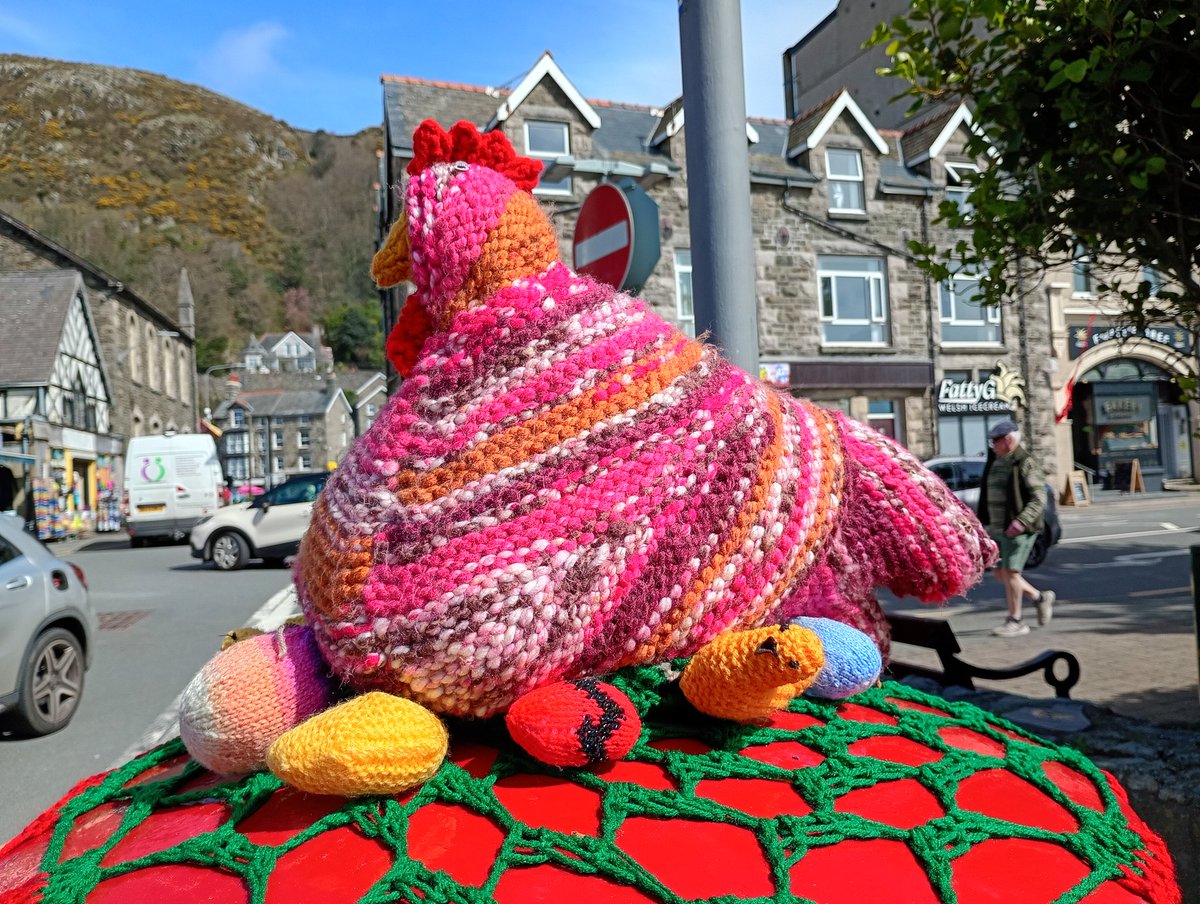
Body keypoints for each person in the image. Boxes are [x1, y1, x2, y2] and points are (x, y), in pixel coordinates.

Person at [977, 419, 1055, 636]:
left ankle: (1016, 620)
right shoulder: (997, 460)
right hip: (998, 527)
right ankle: (1039, 598)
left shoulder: (1024, 462)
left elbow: (1039, 498)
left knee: (1011, 573)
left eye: (997, 441)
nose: (993, 444)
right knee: (999, 573)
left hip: (1018, 528)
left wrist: (1021, 521)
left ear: (1009, 440)